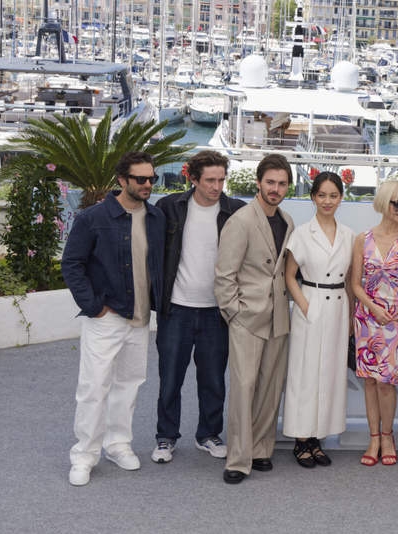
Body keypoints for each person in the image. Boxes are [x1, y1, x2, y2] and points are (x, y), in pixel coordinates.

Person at [61, 151, 165, 486]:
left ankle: (118, 445)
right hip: (106, 316)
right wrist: (94, 306)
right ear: (122, 180)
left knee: (129, 385)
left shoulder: (156, 217)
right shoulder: (93, 218)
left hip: (140, 317)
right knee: (93, 387)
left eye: (152, 178)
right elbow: (71, 263)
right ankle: (84, 455)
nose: (148, 184)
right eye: (141, 179)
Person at [151, 150, 246, 464]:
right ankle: (166, 437)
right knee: (170, 378)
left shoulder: (236, 211)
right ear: (192, 178)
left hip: (217, 311)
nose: (217, 186)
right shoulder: (169, 207)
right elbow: (151, 252)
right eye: (210, 180)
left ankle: (208, 434)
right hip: (176, 309)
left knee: (213, 379)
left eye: (221, 179)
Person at [214, 153, 295, 484]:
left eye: (282, 184)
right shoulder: (241, 221)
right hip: (247, 317)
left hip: (278, 318)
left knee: (270, 389)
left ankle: (261, 449)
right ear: (258, 183)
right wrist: (235, 312)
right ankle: (237, 459)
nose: (275, 189)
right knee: (244, 389)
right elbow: (224, 275)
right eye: (270, 182)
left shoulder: (288, 222)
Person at [283, 171, 355, 468]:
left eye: (333, 195)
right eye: (322, 195)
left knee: (330, 374)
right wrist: (305, 306)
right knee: (305, 374)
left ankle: (317, 438)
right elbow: (289, 275)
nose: (327, 201)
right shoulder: (302, 233)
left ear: (341, 198)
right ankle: (301, 438)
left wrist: (350, 318)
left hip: (338, 306)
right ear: (313, 197)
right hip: (311, 302)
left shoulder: (349, 235)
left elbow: (350, 280)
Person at [351, 180, 398, 466]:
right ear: (383, 202)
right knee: (370, 380)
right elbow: (355, 284)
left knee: (386, 383)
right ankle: (373, 438)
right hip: (368, 318)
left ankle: (388, 436)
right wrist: (372, 308)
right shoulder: (363, 239)